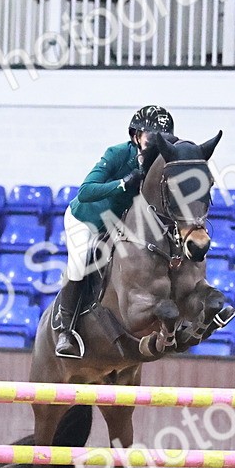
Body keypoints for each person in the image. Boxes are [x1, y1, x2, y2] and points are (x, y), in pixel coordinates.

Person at [53, 105, 174, 358]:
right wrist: (121, 184)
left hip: (118, 224)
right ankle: (66, 331)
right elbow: (86, 191)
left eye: (162, 139)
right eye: (152, 137)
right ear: (136, 136)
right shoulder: (118, 154)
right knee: (79, 265)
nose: (156, 144)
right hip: (85, 220)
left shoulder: (159, 166)